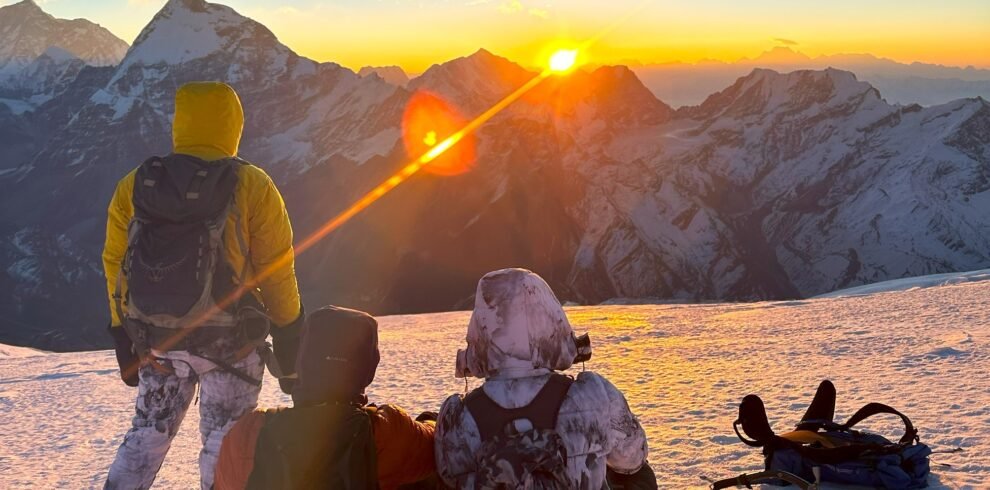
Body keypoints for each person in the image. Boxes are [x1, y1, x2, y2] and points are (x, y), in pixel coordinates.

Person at [103, 81, 303, 490]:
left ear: (180, 124)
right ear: (234, 125)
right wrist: (289, 333)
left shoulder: (136, 184)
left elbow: (114, 262)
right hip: (231, 344)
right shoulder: (252, 184)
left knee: (147, 434)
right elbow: (276, 269)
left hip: (158, 339)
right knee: (224, 443)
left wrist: (122, 332)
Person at [435, 268, 656, 489]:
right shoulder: (593, 395)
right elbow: (632, 459)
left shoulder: (459, 417)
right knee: (639, 477)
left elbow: (450, 476)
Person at [213, 306, 438, 490]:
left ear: (303, 357)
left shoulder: (249, 433)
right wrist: (430, 419)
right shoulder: (387, 432)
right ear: (369, 366)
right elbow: (441, 446)